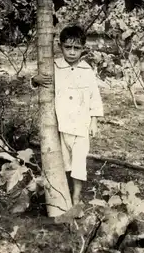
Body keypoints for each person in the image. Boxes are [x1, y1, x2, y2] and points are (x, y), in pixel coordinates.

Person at [31, 25, 104, 206]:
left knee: (79, 162)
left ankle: (77, 196)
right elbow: (38, 80)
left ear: (83, 49)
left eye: (76, 48)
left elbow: (94, 97)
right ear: (60, 46)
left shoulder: (87, 70)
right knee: (64, 161)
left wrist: (94, 121)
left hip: (81, 125)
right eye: (68, 47)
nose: (72, 52)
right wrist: (35, 79)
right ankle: (63, 192)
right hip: (61, 125)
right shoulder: (54, 66)